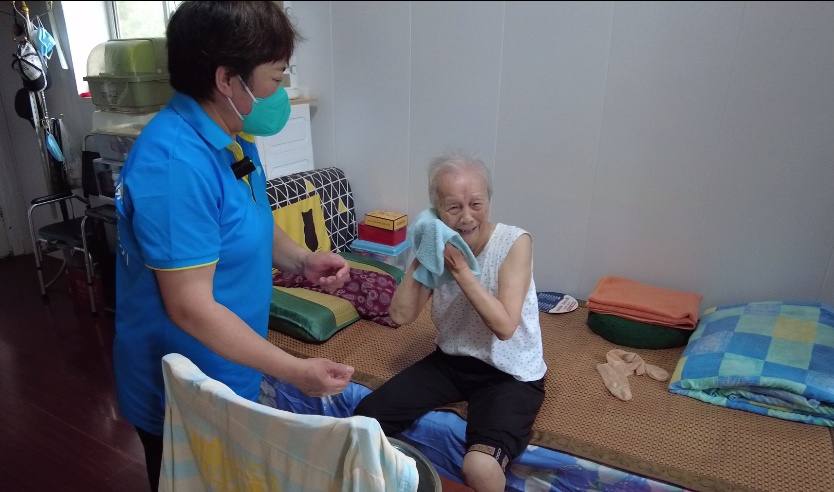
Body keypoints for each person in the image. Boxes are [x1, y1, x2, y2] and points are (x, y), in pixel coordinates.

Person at [113, 3, 354, 491]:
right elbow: (191, 307)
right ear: (227, 79)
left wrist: (302, 260)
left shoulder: (232, 137)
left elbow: (252, 222)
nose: (279, 93)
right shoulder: (174, 165)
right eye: (275, 77)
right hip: (185, 388)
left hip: (230, 369)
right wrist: (294, 370)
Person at [354, 152, 548, 492]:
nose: (467, 217)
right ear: (437, 211)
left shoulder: (515, 243)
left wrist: (460, 270)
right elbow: (400, 316)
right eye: (453, 207)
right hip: (452, 360)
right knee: (364, 422)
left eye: (476, 204)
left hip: (510, 372)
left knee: (480, 467)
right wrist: (424, 248)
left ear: (489, 202)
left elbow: (505, 327)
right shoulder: (439, 246)